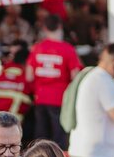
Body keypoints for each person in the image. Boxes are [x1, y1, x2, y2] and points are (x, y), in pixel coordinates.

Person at [26, 14, 82, 149]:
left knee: (40, 139)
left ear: (44, 28)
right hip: (60, 99)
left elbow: (29, 76)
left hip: (40, 98)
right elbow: (76, 76)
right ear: (60, 27)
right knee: (59, 138)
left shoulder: (37, 48)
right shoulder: (68, 49)